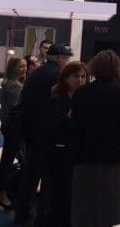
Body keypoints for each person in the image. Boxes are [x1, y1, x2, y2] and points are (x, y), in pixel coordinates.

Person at [70, 49, 120, 227]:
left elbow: (75, 126)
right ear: (117, 68)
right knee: (109, 208)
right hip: (113, 155)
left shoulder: (81, 92)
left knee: (85, 206)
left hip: (85, 154)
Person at [14, 44, 73, 225]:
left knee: (29, 175)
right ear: (60, 58)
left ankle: (22, 213)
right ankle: (42, 218)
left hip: (30, 131)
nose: (67, 61)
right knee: (48, 179)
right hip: (47, 135)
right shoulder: (59, 76)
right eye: (66, 57)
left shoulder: (36, 73)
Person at [45, 61, 89, 227]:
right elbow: (50, 128)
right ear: (66, 78)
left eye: (83, 76)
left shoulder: (81, 99)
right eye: (76, 76)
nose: (80, 80)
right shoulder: (57, 99)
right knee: (59, 196)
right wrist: (68, 118)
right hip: (59, 154)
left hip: (75, 154)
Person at [0, 56, 27, 210]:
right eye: (21, 66)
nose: (24, 69)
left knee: (8, 161)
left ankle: (4, 193)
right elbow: (13, 112)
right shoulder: (15, 86)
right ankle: (2, 195)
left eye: (25, 66)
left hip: (10, 128)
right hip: (13, 129)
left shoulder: (12, 83)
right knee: (8, 162)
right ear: (13, 68)